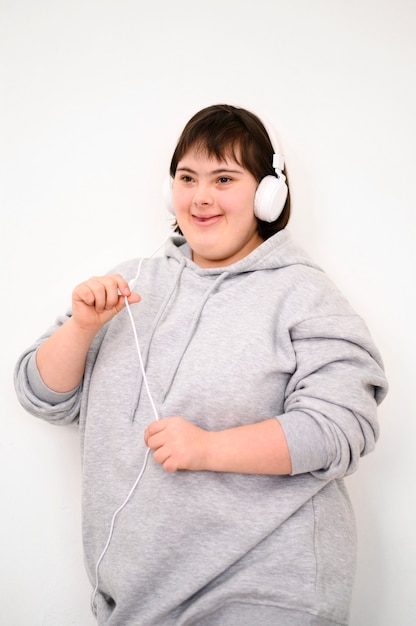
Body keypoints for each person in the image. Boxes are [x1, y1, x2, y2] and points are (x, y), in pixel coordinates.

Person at [14, 104, 388, 626]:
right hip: (139, 602)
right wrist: (80, 328)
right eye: (187, 178)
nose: (201, 196)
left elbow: (341, 427)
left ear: (267, 194)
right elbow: (41, 395)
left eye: (224, 178)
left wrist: (208, 447)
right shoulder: (132, 282)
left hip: (268, 594)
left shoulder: (303, 294)